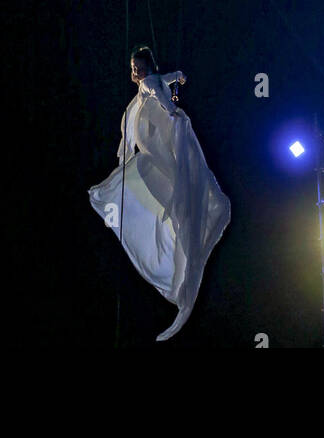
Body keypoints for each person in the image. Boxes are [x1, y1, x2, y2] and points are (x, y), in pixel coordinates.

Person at [88, 44, 231, 341]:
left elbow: (158, 89)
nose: (133, 72)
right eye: (132, 67)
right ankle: (173, 203)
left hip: (156, 141)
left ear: (144, 68)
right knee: (153, 172)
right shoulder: (149, 82)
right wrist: (177, 75)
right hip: (151, 142)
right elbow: (163, 80)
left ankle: (175, 204)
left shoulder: (149, 83)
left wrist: (171, 110)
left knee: (155, 171)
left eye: (136, 66)